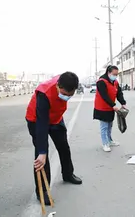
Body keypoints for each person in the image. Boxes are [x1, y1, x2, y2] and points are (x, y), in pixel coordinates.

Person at [25, 72, 82, 206]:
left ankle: (68, 174)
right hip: (36, 120)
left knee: (64, 147)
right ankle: (42, 191)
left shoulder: (68, 81)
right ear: (58, 85)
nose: (66, 97)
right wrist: (42, 152)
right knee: (41, 155)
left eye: (70, 95)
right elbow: (42, 123)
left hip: (56, 119)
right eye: (64, 94)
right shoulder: (44, 93)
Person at [94, 65, 127, 152]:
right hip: (102, 108)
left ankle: (109, 140)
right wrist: (113, 105)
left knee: (110, 125)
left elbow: (119, 93)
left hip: (110, 107)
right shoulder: (101, 82)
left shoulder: (115, 82)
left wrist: (123, 103)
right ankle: (105, 143)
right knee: (104, 126)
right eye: (114, 74)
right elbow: (104, 96)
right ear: (108, 73)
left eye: (117, 74)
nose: (115, 76)